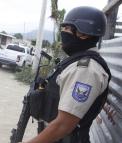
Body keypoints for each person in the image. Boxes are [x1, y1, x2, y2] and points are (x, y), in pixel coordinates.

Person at [24, 6, 111, 143]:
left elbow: (63, 126)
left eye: (66, 28)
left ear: (83, 33)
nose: (63, 33)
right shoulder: (75, 62)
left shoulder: (85, 70)